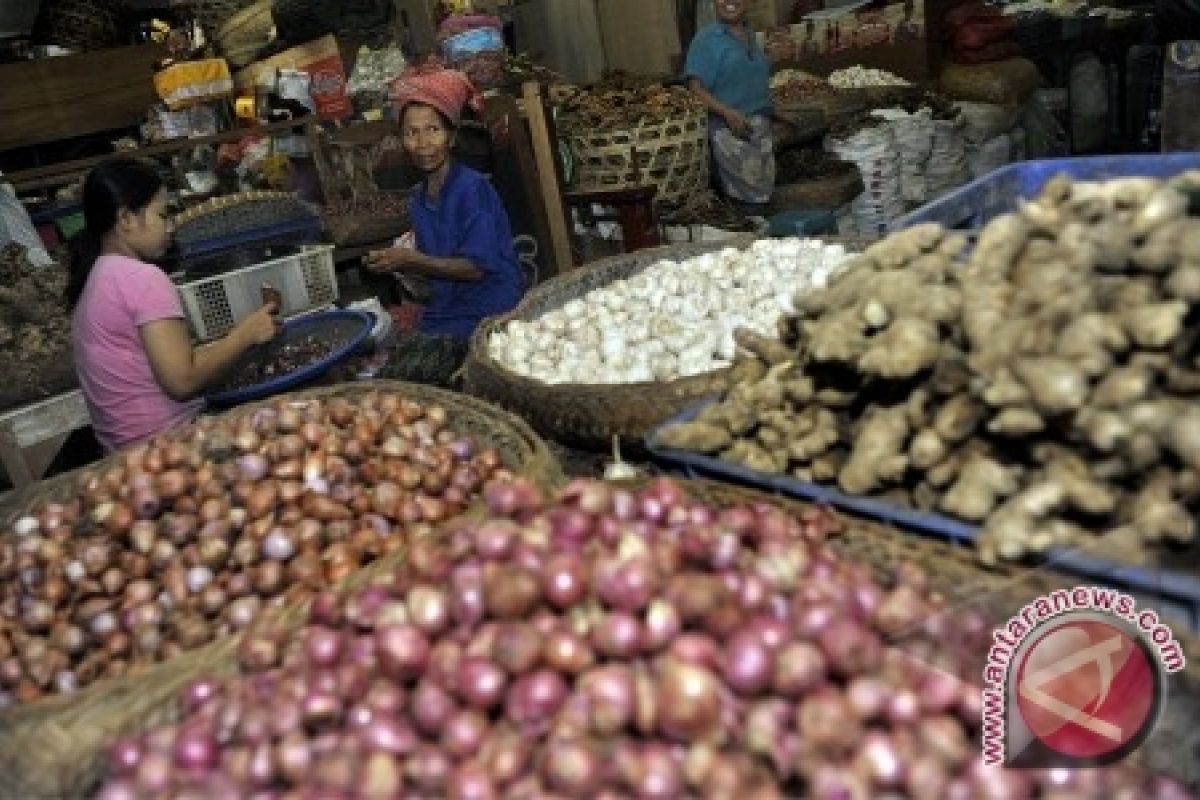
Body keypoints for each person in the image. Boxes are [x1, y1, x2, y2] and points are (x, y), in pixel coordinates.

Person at [68, 157, 279, 451]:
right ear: (126, 219)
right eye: (162, 215)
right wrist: (246, 334)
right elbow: (183, 382)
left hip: (121, 451)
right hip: (167, 446)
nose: (171, 227)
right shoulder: (142, 278)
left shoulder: (96, 279)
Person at [366, 64, 524, 342]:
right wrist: (405, 269)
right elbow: (438, 268)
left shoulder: (472, 188)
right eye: (411, 133)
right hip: (448, 308)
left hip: (490, 307)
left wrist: (411, 260)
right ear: (402, 141)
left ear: (451, 138)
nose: (423, 142)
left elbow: (476, 268)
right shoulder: (418, 201)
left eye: (433, 130)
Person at [685, 0, 777, 207]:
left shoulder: (750, 35)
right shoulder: (706, 39)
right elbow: (695, 88)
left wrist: (773, 113)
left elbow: (751, 82)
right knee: (747, 205)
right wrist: (726, 112)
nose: (729, 2)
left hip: (759, 133)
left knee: (764, 201)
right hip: (730, 134)